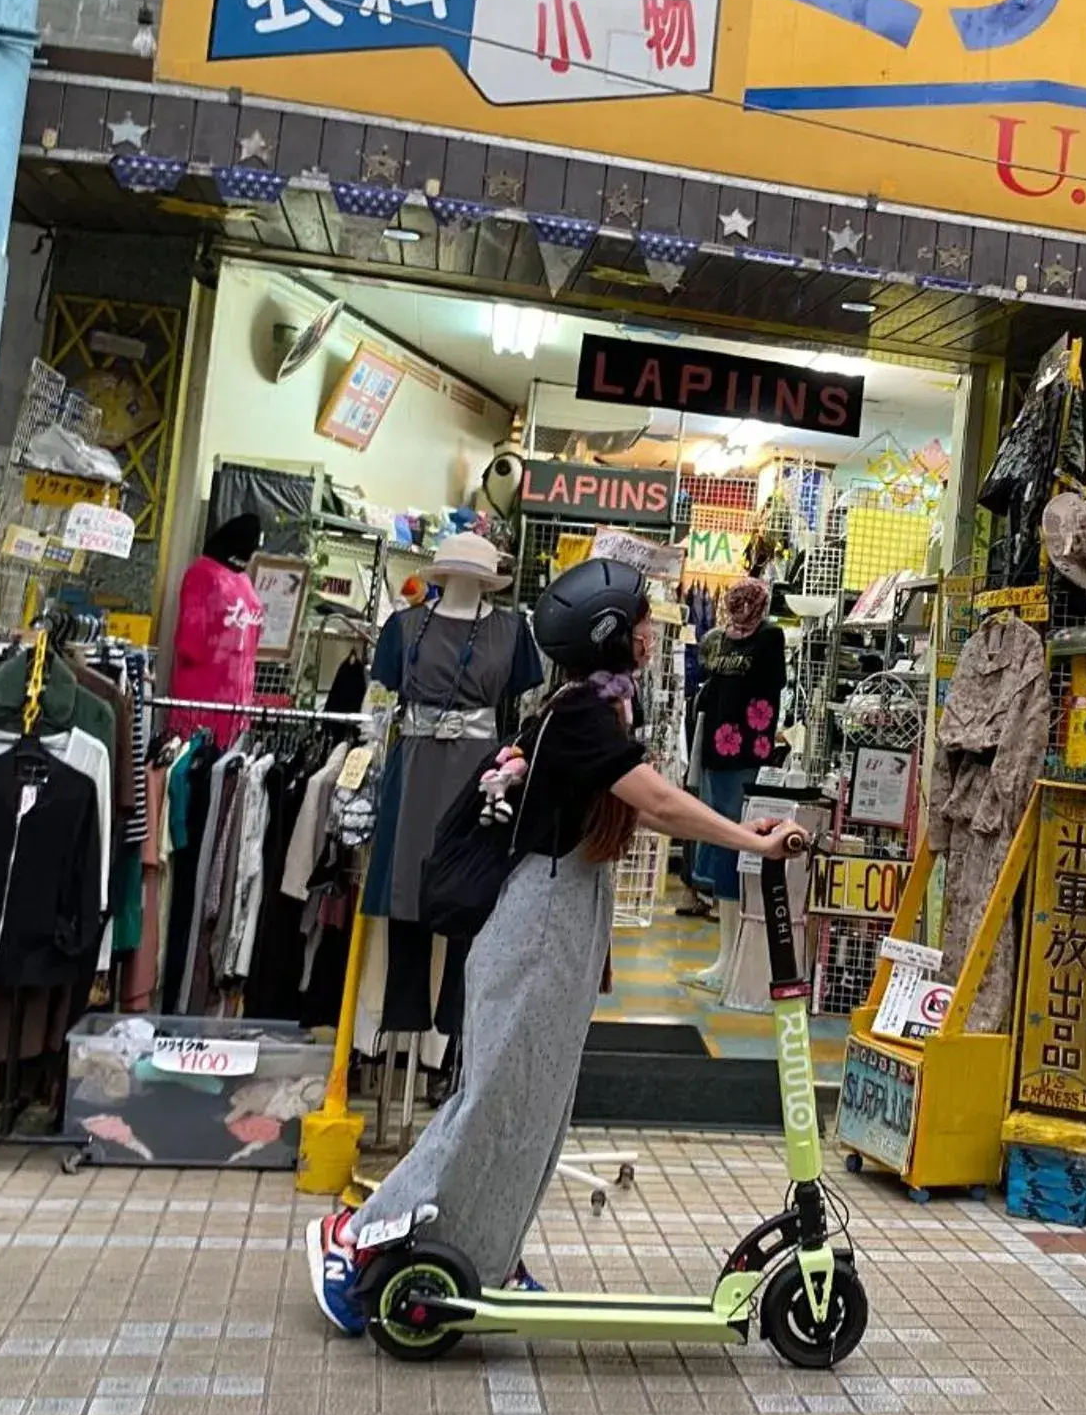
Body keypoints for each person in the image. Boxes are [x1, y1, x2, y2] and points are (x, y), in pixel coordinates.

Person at [306, 558, 803, 1333]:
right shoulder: (581, 715)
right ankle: (358, 1234)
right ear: (610, 633)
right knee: (494, 1102)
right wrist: (749, 839)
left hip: (563, 915)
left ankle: (489, 1255)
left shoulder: (598, 707)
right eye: (642, 619)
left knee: (535, 1110)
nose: (652, 631)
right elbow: (662, 805)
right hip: (538, 920)